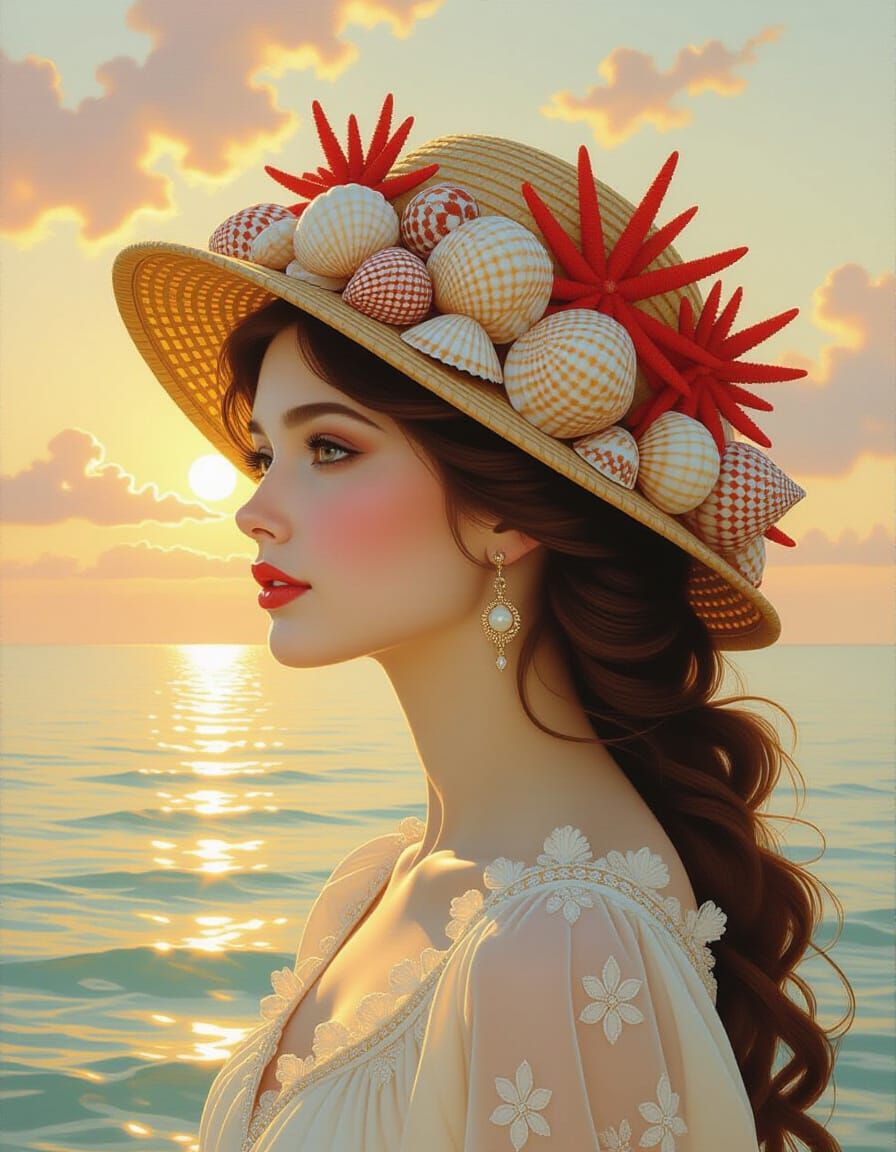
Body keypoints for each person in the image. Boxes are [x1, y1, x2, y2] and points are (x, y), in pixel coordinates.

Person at [112, 93, 853, 1152]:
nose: (256, 510)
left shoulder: (557, 942)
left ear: (508, 510)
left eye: (330, 448)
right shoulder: (379, 882)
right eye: (263, 454)